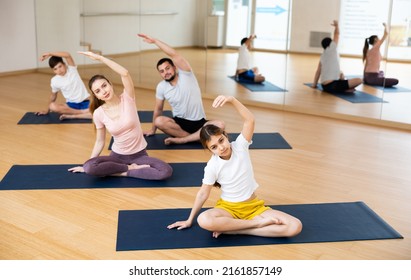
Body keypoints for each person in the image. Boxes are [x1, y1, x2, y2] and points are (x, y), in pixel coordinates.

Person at [167, 95, 302, 238]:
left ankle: (238, 229)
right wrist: (189, 220)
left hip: (254, 208)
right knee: (204, 220)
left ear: (225, 135)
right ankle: (255, 224)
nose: (221, 147)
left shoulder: (240, 146)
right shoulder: (212, 166)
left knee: (295, 226)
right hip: (228, 210)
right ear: (210, 150)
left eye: (221, 140)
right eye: (214, 146)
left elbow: (250, 120)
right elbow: (202, 194)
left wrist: (232, 100)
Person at [68, 51, 173, 180]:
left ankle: (120, 172)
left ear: (110, 84)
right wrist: (87, 164)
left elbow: (125, 73)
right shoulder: (98, 113)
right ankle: (128, 169)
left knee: (165, 171)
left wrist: (101, 58)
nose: (104, 91)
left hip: (139, 155)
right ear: (96, 96)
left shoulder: (128, 98)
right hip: (116, 157)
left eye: (104, 86)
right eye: (98, 91)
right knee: (89, 167)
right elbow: (100, 141)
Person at [138, 33, 224, 145]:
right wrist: (152, 130)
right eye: (162, 71)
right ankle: (198, 137)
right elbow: (158, 109)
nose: (166, 73)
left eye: (167, 68)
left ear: (174, 67)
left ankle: (184, 139)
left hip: (199, 123)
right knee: (159, 121)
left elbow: (174, 54)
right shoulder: (161, 87)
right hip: (179, 125)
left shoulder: (187, 74)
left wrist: (155, 41)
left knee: (220, 124)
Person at [37, 51, 92, 120]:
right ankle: (83, 113)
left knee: (101, 109)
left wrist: (50, 54)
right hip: (71, 106)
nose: (59, 70)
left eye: (60, 66)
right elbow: (53, 95)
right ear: (53, 71)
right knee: (52, 106)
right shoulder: (54, 80)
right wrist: (47, 110)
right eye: (55, 69)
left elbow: (67, 55)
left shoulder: (72, 69)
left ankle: (74, 115)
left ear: (64, 64)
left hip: (85, 102)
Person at [312, 20, 362, 93]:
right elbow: (337, 34)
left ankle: (344, 88)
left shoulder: (323, 55)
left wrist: (314, 84)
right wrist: (337, 26)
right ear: (331, 44)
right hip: (332, 85)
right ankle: (344, 89)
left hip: (324, 87)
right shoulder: (332, 48)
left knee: (341, 74)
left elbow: (318, 71)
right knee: (359, 80)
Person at [363, 23, 399, 87]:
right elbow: (386, 34)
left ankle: (373, 79)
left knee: (381, 72)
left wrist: (364, 78)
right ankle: (376, 80)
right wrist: (385, 26)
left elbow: (366, 65)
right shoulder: (376, 47)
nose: (379, 39)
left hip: (367, 76)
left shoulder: (368, 51)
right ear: (375, 40)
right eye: (378, 38)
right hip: (372, 78)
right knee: (396, 81)